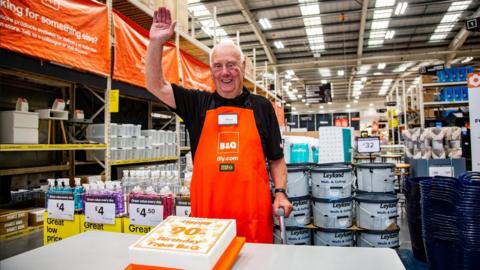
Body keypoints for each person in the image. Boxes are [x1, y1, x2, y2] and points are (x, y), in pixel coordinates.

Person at [145, 7, 292, 243]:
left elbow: (276, 159)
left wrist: (281, 193)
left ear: (243, 67)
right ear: (211, 70)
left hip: (253, 222)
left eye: (232, 65)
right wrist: (156, 43)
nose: (225, 72)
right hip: (207, 225)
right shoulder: (196, 104)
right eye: (218, 66)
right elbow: (155, 85)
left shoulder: (262, 107)